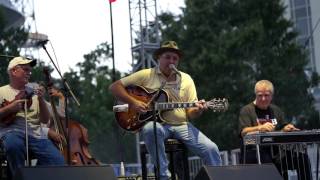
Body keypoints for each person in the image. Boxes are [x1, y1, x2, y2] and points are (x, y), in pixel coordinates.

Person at [109, 41, 221, 179]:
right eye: (167, 57)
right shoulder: (146, 74)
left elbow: (191, 113)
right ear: (159, 58)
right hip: (158, 126)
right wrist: (134, 102)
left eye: (175, 58)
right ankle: (164, 176)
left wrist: (198, 110)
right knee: (150, 129)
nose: (171, 61)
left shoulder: (186, 79)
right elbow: (114, 87)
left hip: (182, 126)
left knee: (211, 149)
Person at [0, 57, 65, 177]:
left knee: (59, 163)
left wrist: (40, 99)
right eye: (25, 69)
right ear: (14, 71)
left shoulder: (33, 92)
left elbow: (45, 120)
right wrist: (9, 108)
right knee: (13, 145)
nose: (29, 73)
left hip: (36, 135)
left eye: (30, 70)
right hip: (11, 132)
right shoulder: (1, 91)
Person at [238, 80, 312, 180]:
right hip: (254, 153)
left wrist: (288, 128)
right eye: (260, 95)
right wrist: (259, 128)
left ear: (271, 96)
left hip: (277, 154)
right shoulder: (247, 110)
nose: (263, 98)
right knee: (267, 161)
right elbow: (243, 132)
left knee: (302, 159)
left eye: (266, 95)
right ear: (255, 95)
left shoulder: (276, 110)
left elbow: (283, 127)